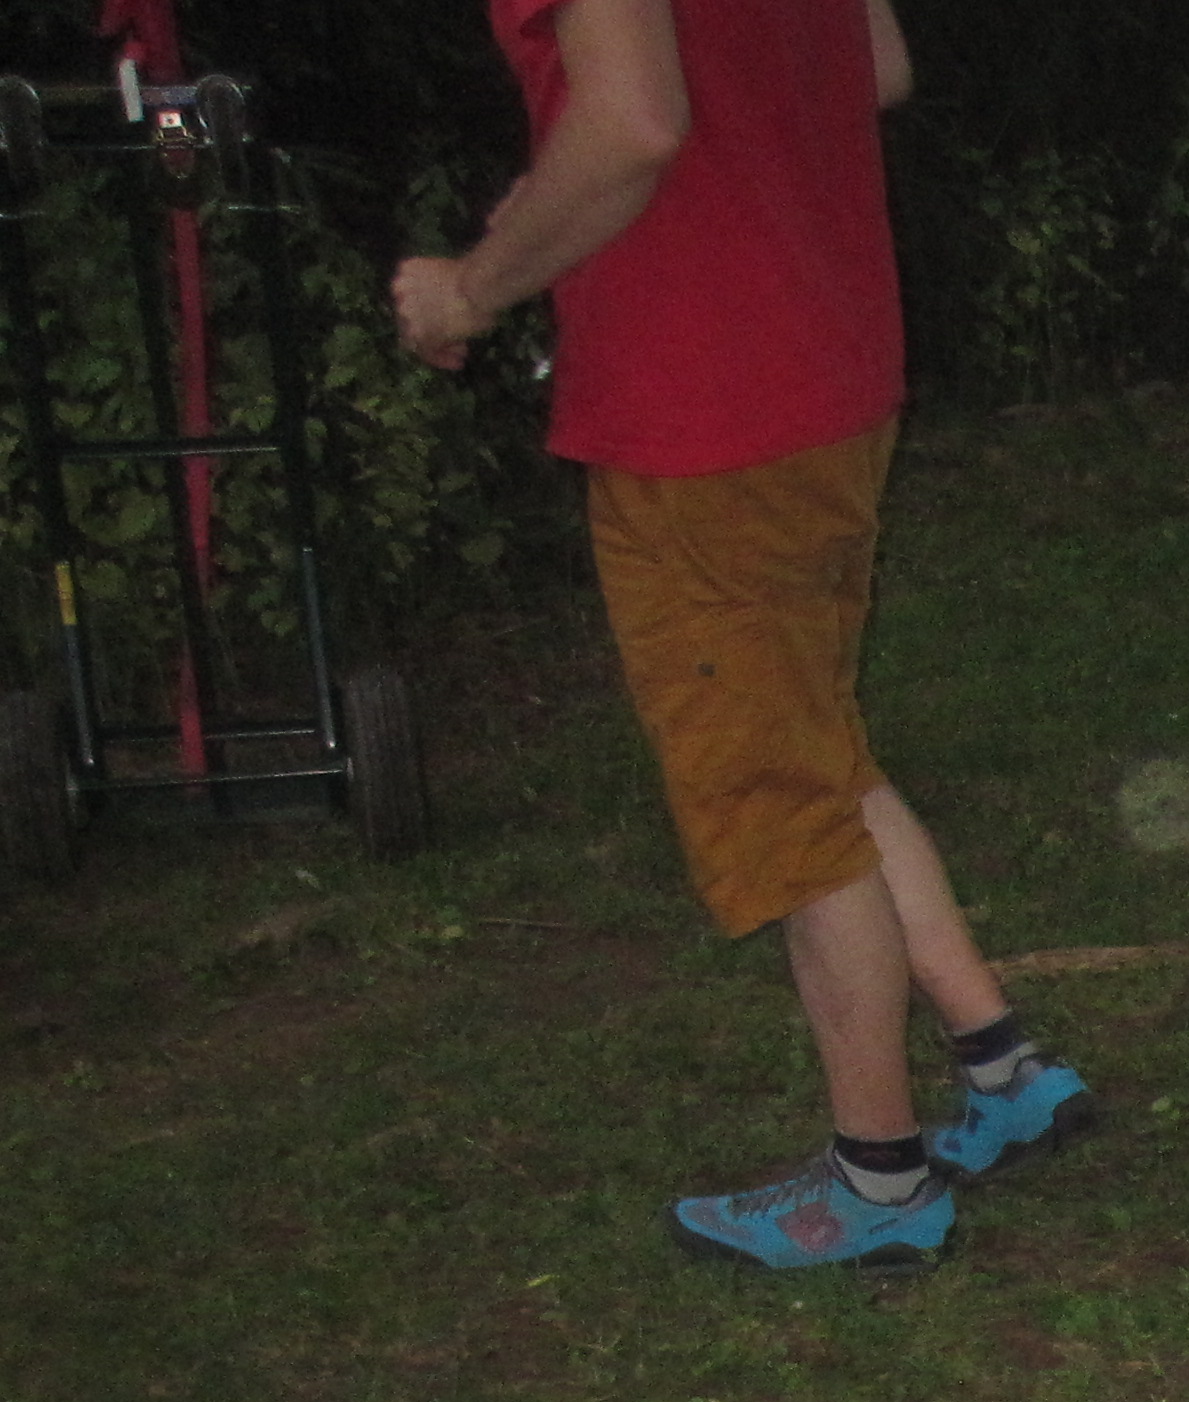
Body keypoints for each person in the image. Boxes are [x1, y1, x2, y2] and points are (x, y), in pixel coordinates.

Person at [392, 0, 1093, 1269]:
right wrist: (564, 201)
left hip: (703, 403)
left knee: (779, 800)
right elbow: (873, 62)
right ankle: (1004, 1069)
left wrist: (469, 290)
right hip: (829, 358)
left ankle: (879, 1187)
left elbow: (633, 122)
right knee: (818, 743)